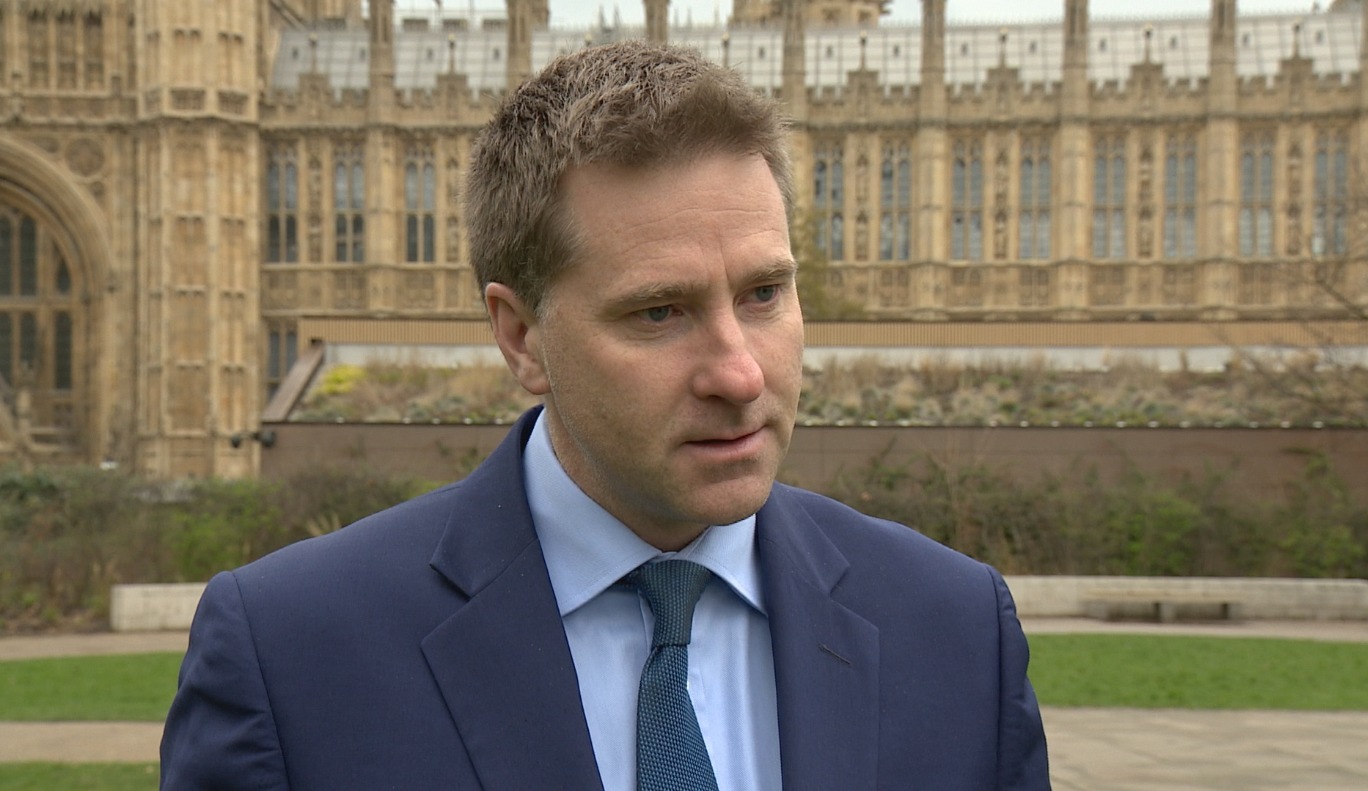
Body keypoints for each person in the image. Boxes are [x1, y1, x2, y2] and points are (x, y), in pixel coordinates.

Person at [160, 40, 1049, 790]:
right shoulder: (292, 657)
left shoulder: (960, 633)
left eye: (764, 293)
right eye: (659, 311)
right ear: (522, 338)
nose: (740, 373)